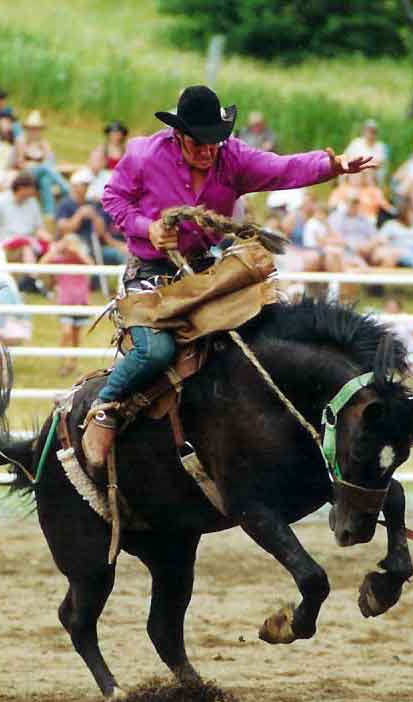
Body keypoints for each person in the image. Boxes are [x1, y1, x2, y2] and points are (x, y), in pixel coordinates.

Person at [88, 84, 375, 472]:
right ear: (179, 136)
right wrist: (148, 228)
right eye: (200, 144)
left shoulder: (233, 158)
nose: (209, 152)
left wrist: (334, 165)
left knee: (267, 327)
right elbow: (114, 198)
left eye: (215, 143)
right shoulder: (144, 154)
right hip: (152, 271)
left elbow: (282, 168)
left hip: (205, 268)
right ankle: (104, 407)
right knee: (154, 351)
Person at [42, 235, 95, 374]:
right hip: (65, 303)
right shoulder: (61, 261)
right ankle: (63, 362)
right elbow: (43, 264)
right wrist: (56, 249)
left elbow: (92, 266)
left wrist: (77, 251)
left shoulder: (82, 261)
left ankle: (73, 362)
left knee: (76, 335)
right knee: (66, 332)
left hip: (81, 303)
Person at [55, 167, 127, 265]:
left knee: (121, 255)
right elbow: (63, 230)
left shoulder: (92, 204)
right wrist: (79, 215)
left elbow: (101, 232)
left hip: (93, 248)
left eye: (87, 185)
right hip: (72, 248)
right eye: (84, 185)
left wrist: (95, 217)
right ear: (75, 186)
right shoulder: (65, 204)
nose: (87, 188)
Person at [0, 172, 51, 289]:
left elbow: (38, 228)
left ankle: (48, 283)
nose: (34, 192)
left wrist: (49, 239)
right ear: (21, 188)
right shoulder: (0, 202)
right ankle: (33, 281)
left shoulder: (33, 203)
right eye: (31, 188)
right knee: (26, 247)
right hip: (7, 243)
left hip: (30, 241)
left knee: (54, 247)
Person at [20, 110, 66, 217]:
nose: (34, 132)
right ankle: (65, 187)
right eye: (32, 129)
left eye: (36, 129)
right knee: (44, 168)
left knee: (45, 181)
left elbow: (51, 162)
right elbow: (19, 162)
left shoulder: (44, 144)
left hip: (41, 174)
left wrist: (45, 151)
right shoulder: (22, 143)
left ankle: (49, 213)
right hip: (27, 174)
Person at [375, 197, 413, 269]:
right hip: (399, 255)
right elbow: (380, 240)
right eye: (411, 212)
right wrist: (393, 249)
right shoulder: (391, 225)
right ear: (404, 212)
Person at [344, 118, 389, 184]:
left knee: (366, 171)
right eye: (368, 130)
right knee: (357, 172)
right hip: (355, 171)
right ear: (363, 131)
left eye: (373, 131)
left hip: (372, 174)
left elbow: (379, 163)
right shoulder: (356, 143)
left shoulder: (380, 146)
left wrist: (363, 165)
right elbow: (346, 157)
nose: (370, 133)